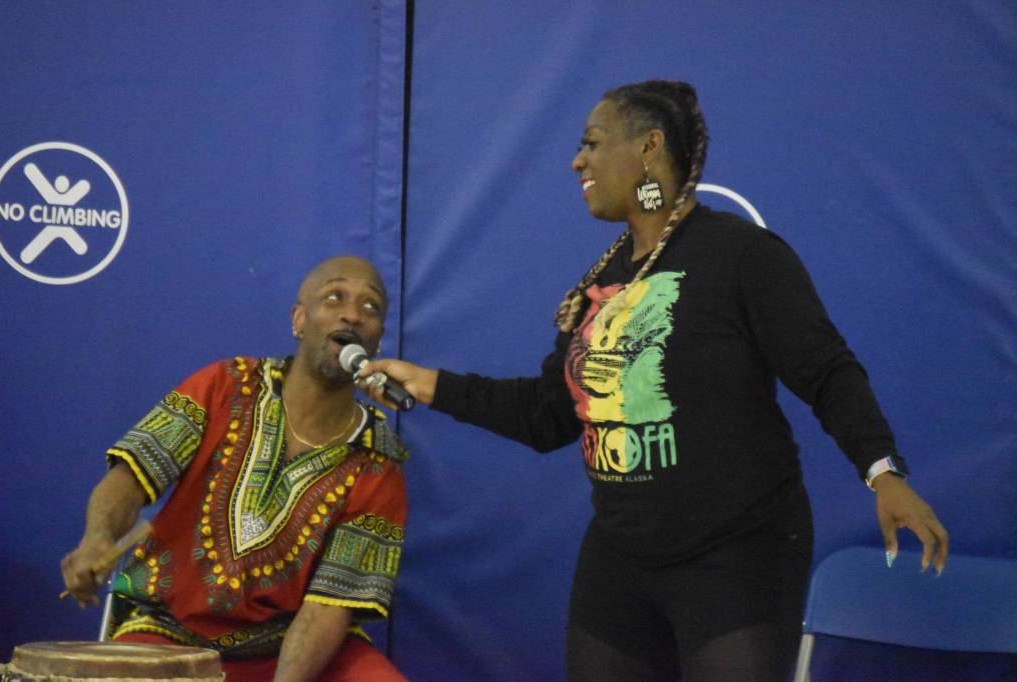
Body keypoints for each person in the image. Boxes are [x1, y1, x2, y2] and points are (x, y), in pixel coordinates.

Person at [358, 80, 949, 681]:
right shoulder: (601, 280)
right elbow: (546, 416)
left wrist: (883, 473)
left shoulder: (742, 255)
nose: (576, 160)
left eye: (591, 143)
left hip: (735, 554)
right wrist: (430, 384)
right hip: (621, 556)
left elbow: (826, 369)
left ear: (649, 147)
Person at [60, 256, 409, 682]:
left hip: (293, 649)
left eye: (370, 307)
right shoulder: (224, 386)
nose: (352, 314)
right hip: (169, 635)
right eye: (334, 297)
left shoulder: (377, 463)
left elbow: (326, 609)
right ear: (299, 320)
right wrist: (97, 538)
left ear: (376, 341)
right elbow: (131, 479)